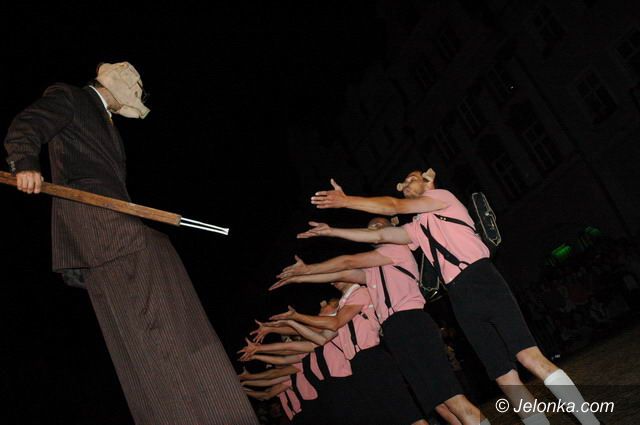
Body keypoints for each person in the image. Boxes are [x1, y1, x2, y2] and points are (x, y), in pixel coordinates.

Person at [4, 62, 258, 425]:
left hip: (112, 226)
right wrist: (25, 162)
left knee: (158, 262)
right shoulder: (71, 96)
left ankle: (200, 397)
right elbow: (28, 123)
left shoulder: (106, 122)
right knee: (152, 257)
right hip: (100, 225)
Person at [297, 170, 602, 425]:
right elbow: (377, 236)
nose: (405, 184)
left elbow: (392, 206)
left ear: (428, 181)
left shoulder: (443, 198)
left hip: (482, 279)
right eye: (404, 182)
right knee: (504, 377)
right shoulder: (416, 228)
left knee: (528, 357)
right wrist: (331, 231)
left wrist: (345, 200)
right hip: (459, 297)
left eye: (412, 178)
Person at [272, 217, 489, 425]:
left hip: (411, 322)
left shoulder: (396, 249)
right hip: (396, 332)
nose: (373, 229)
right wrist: (299, 277)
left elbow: (347, 262)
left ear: (391, 227)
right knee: (438, 404)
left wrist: (309, 267)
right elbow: (341, 273)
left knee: (451, 397)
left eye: (378, 225)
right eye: (370, 227)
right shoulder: (374, 269)